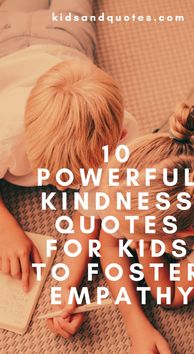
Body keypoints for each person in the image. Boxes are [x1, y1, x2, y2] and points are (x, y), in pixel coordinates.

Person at [0, 0, 138, 337]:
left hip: (68, 38)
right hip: (8, 44)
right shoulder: (7, 131)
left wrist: (66, 287)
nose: (62, 187)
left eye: (72, 177)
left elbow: (91, 213)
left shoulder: (124, 137)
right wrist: (5, 226)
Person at [99, 101, 194, 354]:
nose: (114, 229)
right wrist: (135, 323)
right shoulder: (137, 171)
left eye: (134, 236)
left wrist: (144, 246)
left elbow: (169, 296)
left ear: (184, 232)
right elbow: (107, 243)